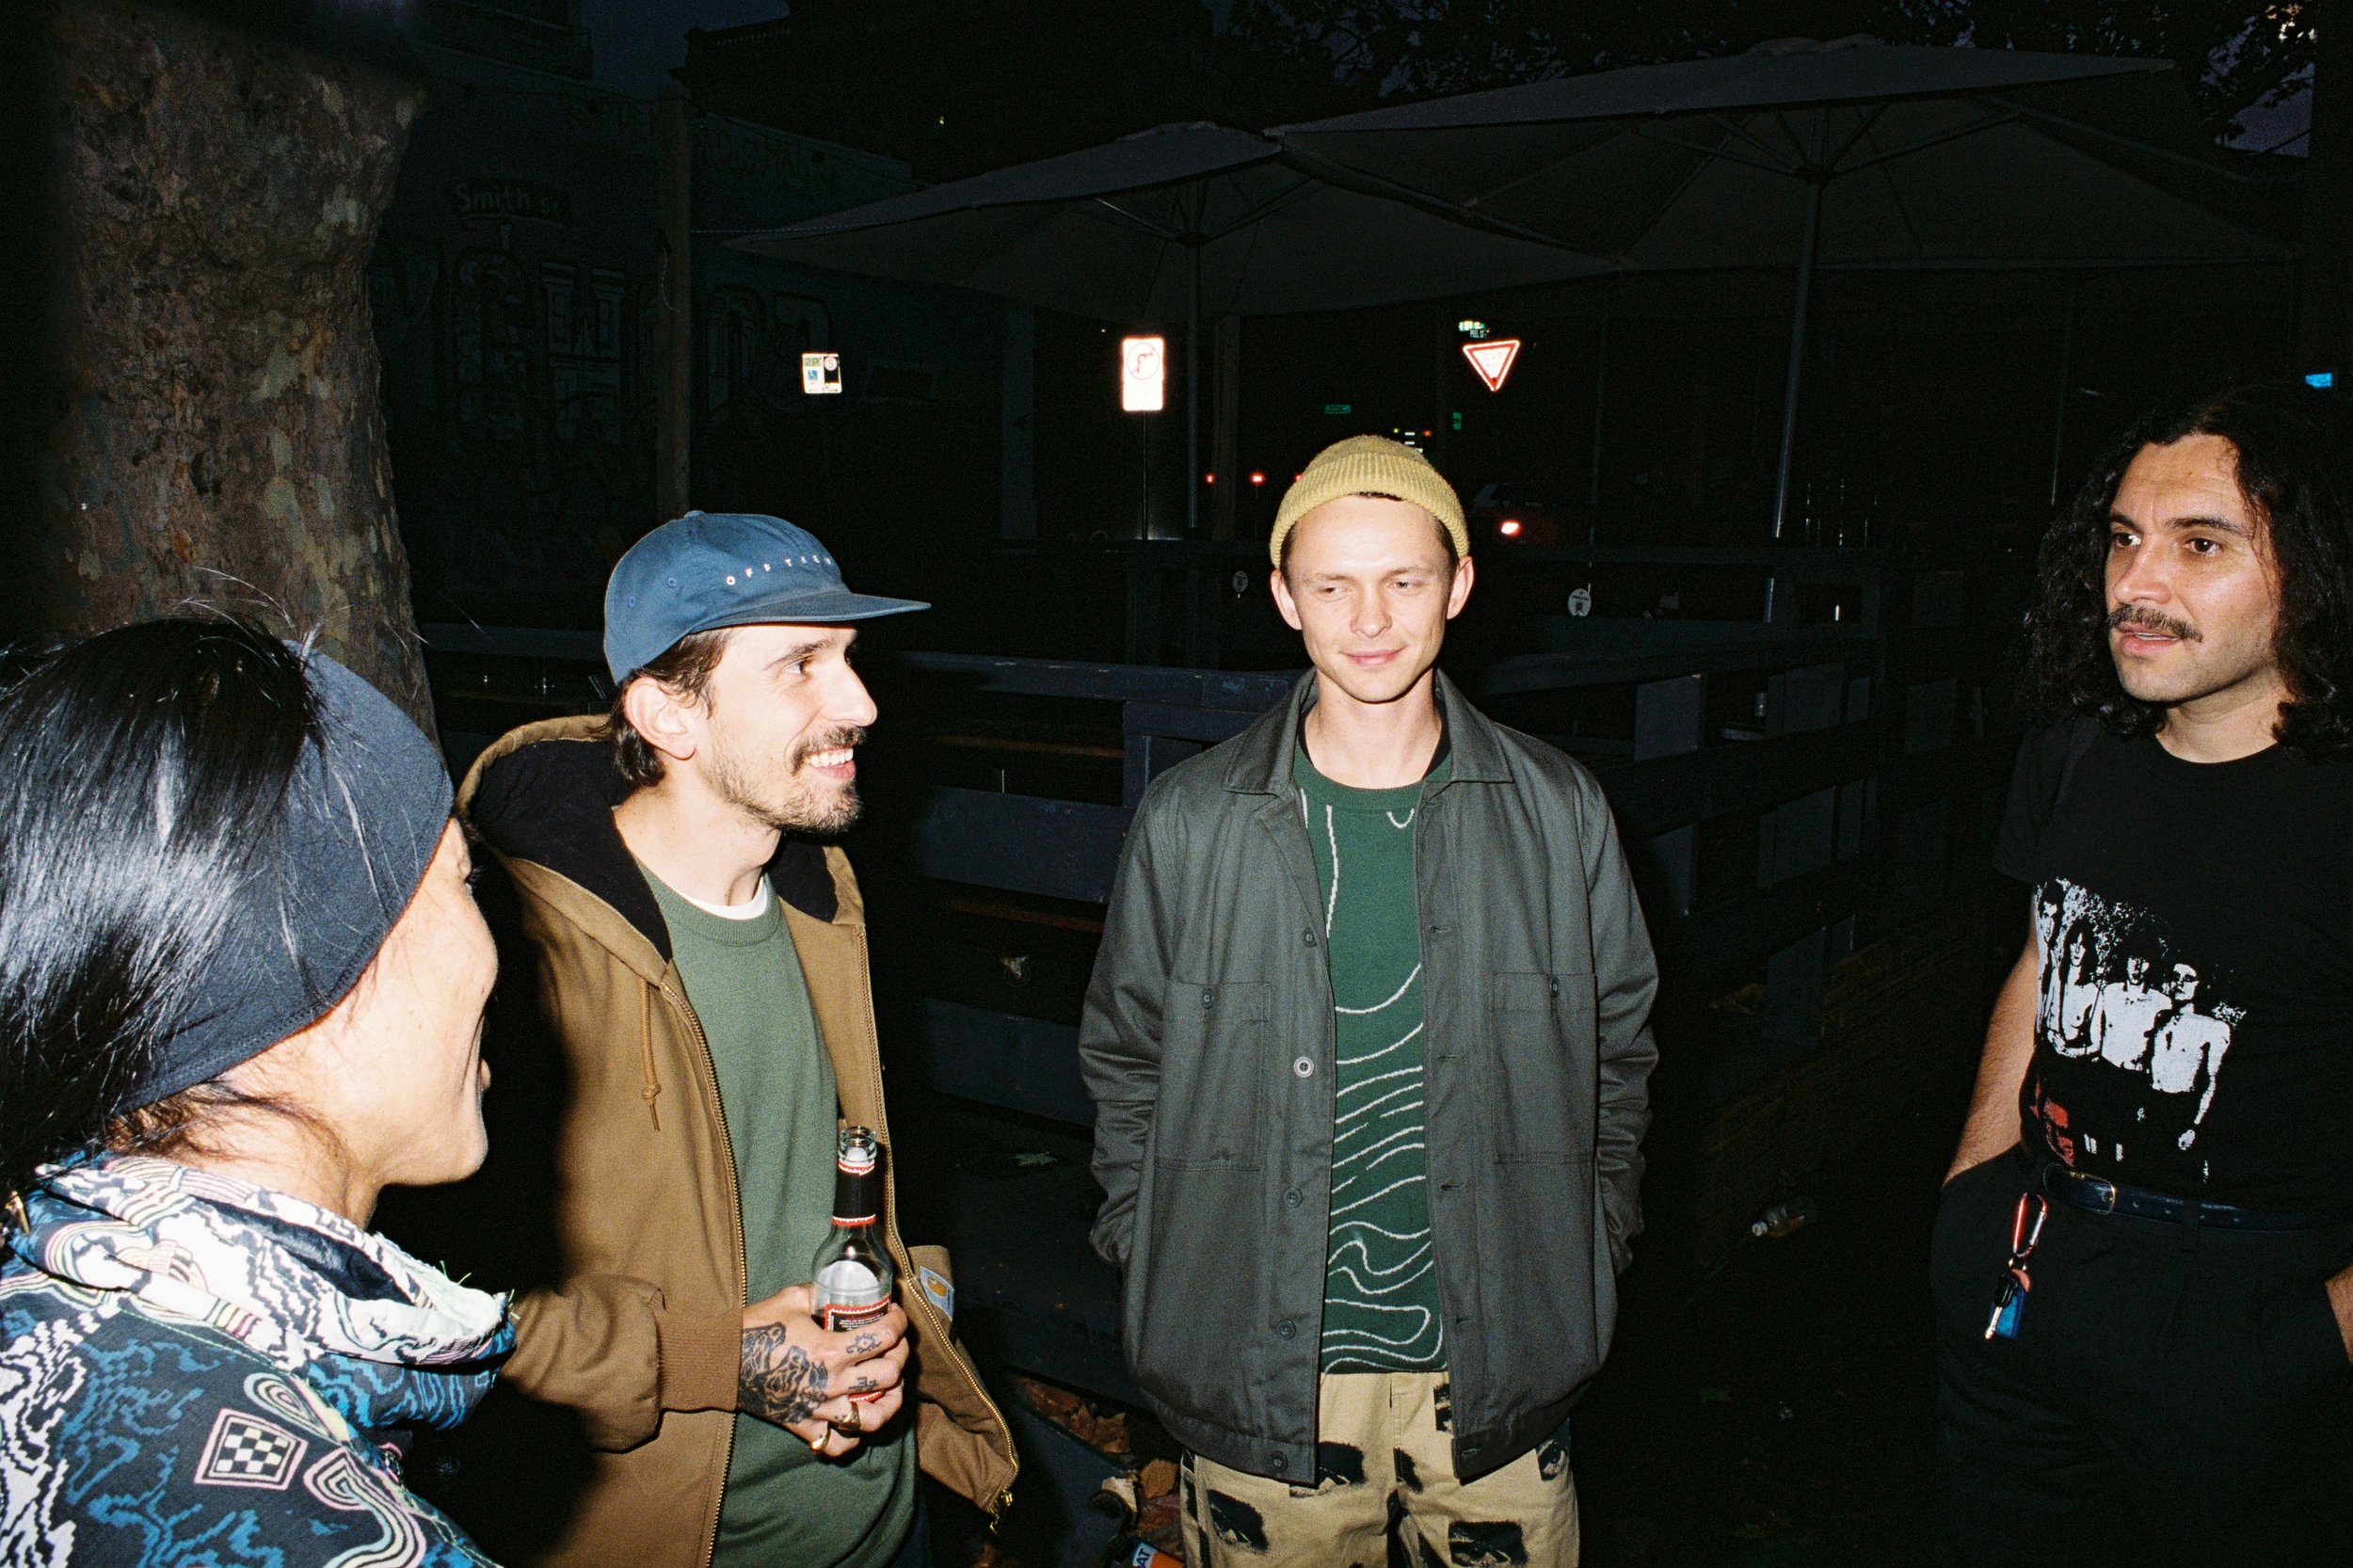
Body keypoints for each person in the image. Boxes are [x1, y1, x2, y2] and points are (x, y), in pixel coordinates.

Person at [393, 512, 1015, 1568]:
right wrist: (713, 1361)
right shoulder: (513, 955)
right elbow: (437, 1321)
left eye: (848, 657)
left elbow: (851, 1163)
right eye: (800, 665)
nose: (860, 703)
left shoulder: (823, 897)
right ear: (668, 715)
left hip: (886, 1518)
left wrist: (918, 1296)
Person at [1080, 436, 1658, 1567]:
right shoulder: (1192, 819)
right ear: (1284, 597)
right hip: (1258, 1373)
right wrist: (1150, 1251)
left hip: (1501, 1372)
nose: (1371, 618)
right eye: (1333, 584)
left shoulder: (1558, 811)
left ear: (1460, 583)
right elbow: (1126, 1056)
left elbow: (1617, 1054)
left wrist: (1590, 1247)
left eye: (1404, 579)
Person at [1935, 383, 2353, 1566]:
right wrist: (1972, 1189)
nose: (2135, 583)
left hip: (2256, 1296)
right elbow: (2046, 950)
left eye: (2199, 545)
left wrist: (2305, 1343)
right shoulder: (2077, 748)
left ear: (2315, 569)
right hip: (2028, 1257)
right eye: (2122, 538)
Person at [0, 618, 514, 1565]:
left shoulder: (51, 1296)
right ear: (311, 976)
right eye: (464, 879)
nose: (497, 955)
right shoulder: (330, 1537)